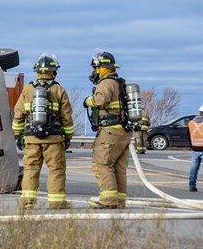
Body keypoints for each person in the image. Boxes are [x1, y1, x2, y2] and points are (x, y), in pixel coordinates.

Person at [12, 53, 74, 210]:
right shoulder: (58, 90)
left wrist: (18, 135)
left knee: (31, 169)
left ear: (37, 71)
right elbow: (66, 117)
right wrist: (67, 137)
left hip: (31, 139)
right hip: (54, 139)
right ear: (53, 71)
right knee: (56, 170)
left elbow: (18, 114)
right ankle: (57, 202)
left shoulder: (28, 90)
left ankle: (27, 203)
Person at [84, 51, 132, 209]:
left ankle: (108, 200)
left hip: (109, 131)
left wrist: (87, 101)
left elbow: (100, 100)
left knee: (102, 164)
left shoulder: (105, 83)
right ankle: (119, 201)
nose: (94, 71)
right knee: (118, 167)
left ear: (100, 68)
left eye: (95, 68)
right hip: (123, 132)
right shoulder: (120, 83)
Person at [188, 105, 203, 192]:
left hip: (194, 149)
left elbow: (188, 136)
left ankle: (192, 186)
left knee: (194, 168)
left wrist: (192, 145)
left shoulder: (190, 123)